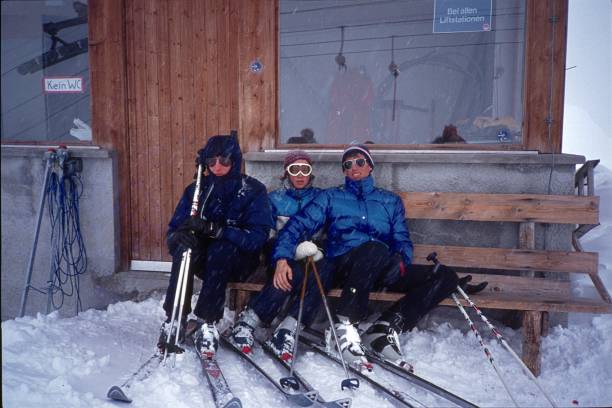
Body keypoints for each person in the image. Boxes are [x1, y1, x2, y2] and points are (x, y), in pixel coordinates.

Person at [267, 143, 467, 369]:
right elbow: (296, 226)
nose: (354, 167)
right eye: (348, 164)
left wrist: (401, 260)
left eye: (360, 162)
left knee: (445, 276)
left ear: (370, 166)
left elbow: (402, 238)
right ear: (344, 171)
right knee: (374, 247)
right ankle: (345, 324)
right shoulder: (331, 197)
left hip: (378, 266)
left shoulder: (389, 201)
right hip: (343, 264)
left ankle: (384, 328)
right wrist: (282, 258)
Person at [158, 133, 272, 359]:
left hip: (240, 260)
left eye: (225, 161)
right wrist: (178, 237)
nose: (218, 167)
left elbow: (257, 237)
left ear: (235, 161)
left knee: (222, 249)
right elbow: (174, 229)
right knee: (186, 249)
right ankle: (175, 317)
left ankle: (207, 321)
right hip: (205, 260)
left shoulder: (252, 190)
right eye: (211, 162)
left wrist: (218, 230)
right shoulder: (197, 190)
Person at [229, 150, 324, 361]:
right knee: (290, 272)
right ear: (286, 173)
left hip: (311, 254)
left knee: (316, 275)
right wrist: (285, 252)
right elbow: (267, 235)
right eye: (294, 169)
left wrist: (315, 247)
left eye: (305, 170)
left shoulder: (320, 198)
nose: (300, 175)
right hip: (279, 251)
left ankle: (256, 320)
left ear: (311, 173)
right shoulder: (274, 199)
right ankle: (252, 322)